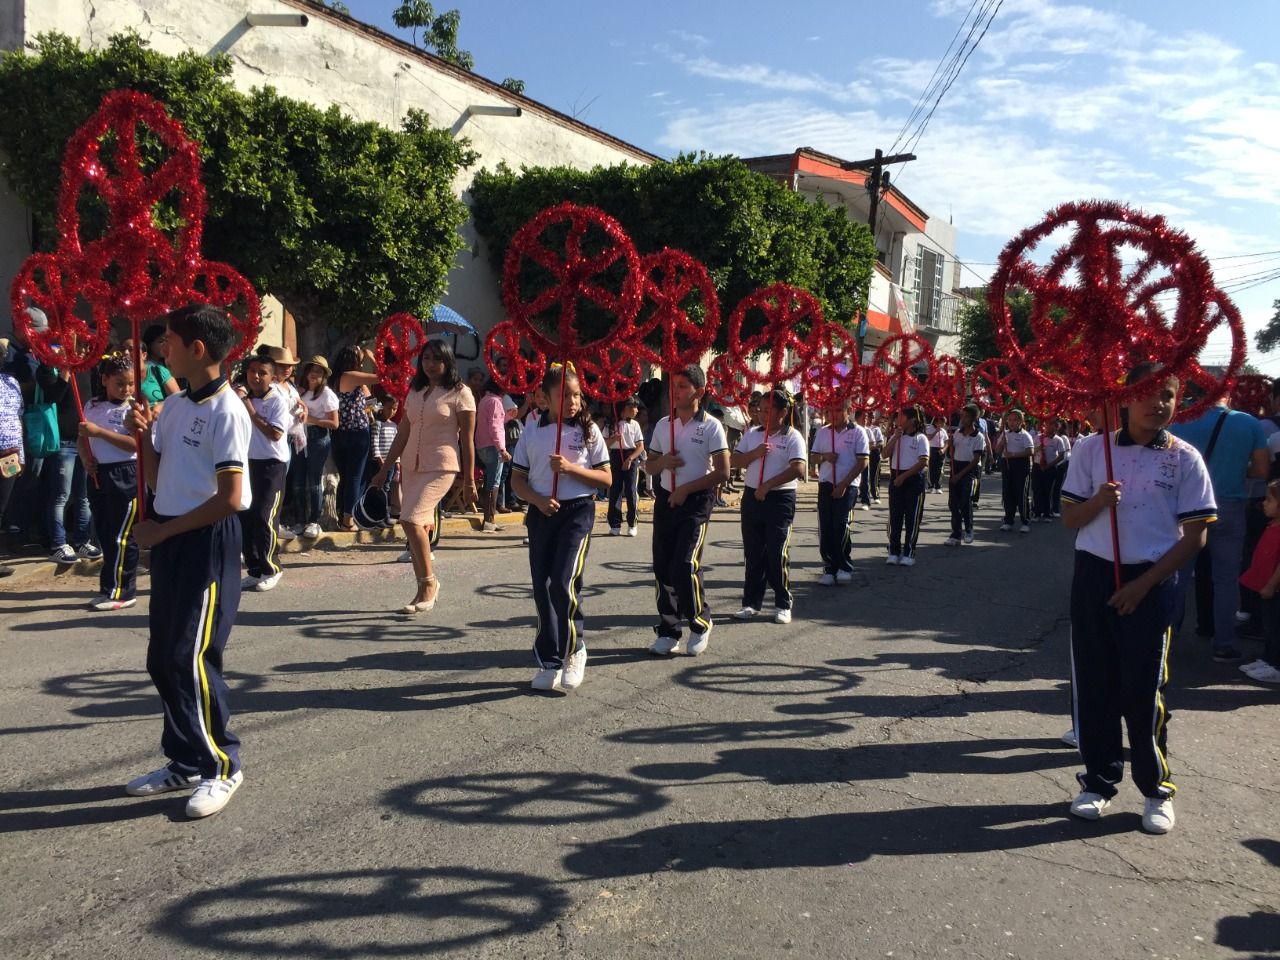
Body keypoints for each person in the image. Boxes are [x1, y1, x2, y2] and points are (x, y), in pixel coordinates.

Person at [1060, 364, 1215, 835]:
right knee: (1095, 683)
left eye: (1167, 394)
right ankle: (1098, 781)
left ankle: (1155, 789)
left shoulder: (1185, 458)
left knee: (1144, 691)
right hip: (1094, 574)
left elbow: (1196, 536)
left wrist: (1142, 586)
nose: (1158, 403)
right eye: (1148, 393)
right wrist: (1098, 502)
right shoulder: (1092, 450)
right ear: (1126, 398)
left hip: (1152, 580)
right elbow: (1070, 518)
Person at [122, 304, 252, 819]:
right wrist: (141, 436)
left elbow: (231, 498)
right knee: (162, 658)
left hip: (207, 540)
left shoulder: (227, 411)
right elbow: (158, 479)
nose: (162, 349)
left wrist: (161, 531)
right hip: (173, 537)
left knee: (191, 657)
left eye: (170, 342)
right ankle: (184, 759)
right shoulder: (174, 407)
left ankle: (222, 765)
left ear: (197, 350)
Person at [509, 364, 611, 691]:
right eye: (564, 395)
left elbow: (606, 478)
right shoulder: (532, 431)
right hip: (542, 513)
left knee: (563, 582)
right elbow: (517, 480)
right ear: (545, 398)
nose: (572, 402)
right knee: (542, 586)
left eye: (576, 395)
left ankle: (575, 648)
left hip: (577, 512)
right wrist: (537, 500)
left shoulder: (588, 430)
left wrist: (569, 469)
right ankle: (550, 660)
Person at [371, 340, 476, 615]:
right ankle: (421, 587)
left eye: (437, 359)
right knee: (410, 525)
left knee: (411, 519)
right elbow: (402, 434)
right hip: (411, 466)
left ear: (448, 362)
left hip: (441, 466)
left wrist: (469, 480)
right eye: (426, 358)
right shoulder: (416, 391)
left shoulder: (460, 393)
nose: (430, 364)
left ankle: (430, 583)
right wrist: (384, 470)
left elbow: (467, 440)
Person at [1170, 396, 1269, 661]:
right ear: (1228, 393)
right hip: (1229, 505)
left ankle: (1166, 637)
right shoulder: (1248, 423)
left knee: (1176, 574)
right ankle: (1224, 644)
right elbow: (1262, 469)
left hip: (1187, 505)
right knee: (1226, 579)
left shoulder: (1178, 421)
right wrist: (1236, 469)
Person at [645, 366, 730, 655]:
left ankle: (700, 622)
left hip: (696, 502)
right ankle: (669, 629)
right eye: (674, 385)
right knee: (662, 565)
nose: (676, 391)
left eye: (683, 386)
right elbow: (650, 465)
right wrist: (663, 463)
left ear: (699, 392)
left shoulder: (711, 426)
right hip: (666, 498)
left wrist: (686, 489)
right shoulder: (663, 425)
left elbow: (723, 472)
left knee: (685, 563)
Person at [731, 388, 807, 623]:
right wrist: (755, 454)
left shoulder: (792, 436)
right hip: (752, 496)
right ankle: (751, 602)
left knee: (776, 551)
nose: (763, 415)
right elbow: (735, 460)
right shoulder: (753, 434)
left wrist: (768, 485)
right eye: (761, 410)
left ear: (783, 412)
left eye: (768, 410)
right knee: (753, 552)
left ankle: (783, 602)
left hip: (780, 499)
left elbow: (798, 468)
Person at [78, 354, 140, 610]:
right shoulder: (92, 405)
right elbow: (82, 436)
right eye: (120, 384)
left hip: (126, 474)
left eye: (130, 384)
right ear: (104, 380)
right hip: (98, 474)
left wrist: (100, 433)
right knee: (105, 534)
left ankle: (123, 591)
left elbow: (135, 445)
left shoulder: (134, 409)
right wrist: (86, 459)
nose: (126, 389)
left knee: (121, 536)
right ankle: (108, 588)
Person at [235, 354, 289, 592]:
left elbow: (275, 434)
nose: (255, 377)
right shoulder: (241, 396)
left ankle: (272, 568)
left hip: (271, 464)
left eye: (262, 372)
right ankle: (255, 569)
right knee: (246, 515)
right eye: (252, 371)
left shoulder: (277, 400)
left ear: (272, 377)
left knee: (264, 515)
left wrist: (250, 409)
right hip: (248, 462)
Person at [810, 399, 869, 585]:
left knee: (841, 525)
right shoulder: (823, 432)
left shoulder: (858, 432)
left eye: (837, 410)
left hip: (848, 485)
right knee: (826, 526)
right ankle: (829, 567)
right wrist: (825, 457)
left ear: (848, 410)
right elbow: (813, 457)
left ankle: (844, 565)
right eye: (830, 410)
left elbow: (863, 461)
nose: (833, 414)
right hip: (826, 484)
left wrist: (843, 485)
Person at [329, 346, 380, 532]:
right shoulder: (350, 375)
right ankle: (347, 520)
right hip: (356, 432)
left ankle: (348, 513)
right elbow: (382, 377)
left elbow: (369, 400)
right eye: (360, 359)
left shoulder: (339, 378)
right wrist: (372, 358)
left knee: (349, 476)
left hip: (341, 433)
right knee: (355, 477)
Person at [1238, 479, 1280, 684]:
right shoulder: (1272, 525)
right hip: (1267, 588)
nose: (1264, 503)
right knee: (1269, 626)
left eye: (1269, 500)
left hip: (1275, 588)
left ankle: (1276, 666)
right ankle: (1268, 659)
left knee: (1276, 627)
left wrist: (1271, 584)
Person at [295, 356, 338, 539]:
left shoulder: (326, 394)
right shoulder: (300, 391)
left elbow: (334, 423)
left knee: (314, 481)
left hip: (317, 437)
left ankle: (314, 521)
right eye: (312, 370)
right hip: (299, 436)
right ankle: (299, 520)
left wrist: (310, 419)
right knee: (298, 481)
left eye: (319, 372)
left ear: (324, 376)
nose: (314, 375)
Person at [883, 404, 930, 566]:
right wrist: (894, 438)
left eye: (901, 416)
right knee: (895, 517)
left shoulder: (920, 438)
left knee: (912, 518)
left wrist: (903, 477)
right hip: (896, 478)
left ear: (912, 420)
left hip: (913, 480)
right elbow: (884, 454)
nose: (898, 419)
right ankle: (893, 551)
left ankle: (909, 552)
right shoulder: (896, 436)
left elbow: (923, 462)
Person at [946, 403, 987, 546]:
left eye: (966, 416)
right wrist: (950, 445)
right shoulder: (957, 433)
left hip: (969, 470)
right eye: (961, 416)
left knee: (965, 502)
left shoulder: (978, 437)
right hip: (956, 467)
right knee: (953, 503)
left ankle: (969, 529)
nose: (962, 419)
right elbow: (952, 454)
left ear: (973, 419)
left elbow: (975, 460)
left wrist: (960, 475)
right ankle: (956, 534)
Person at [474, 377, 510, 533]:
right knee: (493, 483)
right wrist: (502, 449)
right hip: (493, 447)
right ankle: (489, 520)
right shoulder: (495, 401)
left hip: (483, 445)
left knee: (491, 482)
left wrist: (508, 416)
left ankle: (489, 519)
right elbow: (494, 427)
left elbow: (492, 422)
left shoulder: (485, 400)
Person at [606, 396, 645, 537]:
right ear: (625, 408)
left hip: (631, 456)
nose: (636, 410)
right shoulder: (611, 424)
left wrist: (630, 459)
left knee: (631, 490)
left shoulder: (635, 425)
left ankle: (632, 523)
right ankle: (615, 524)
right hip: (616, 456)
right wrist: (613, 439)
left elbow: (640, 447)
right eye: (634, 407)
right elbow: (604, 444)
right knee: (615, 490)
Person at [0, 369, 24, 577]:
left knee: (1, 506)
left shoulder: (11, 381)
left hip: (9, 455)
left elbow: (18, 418)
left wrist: (20, 456)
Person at [995, 410, 1034, 533]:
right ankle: (1008, 521)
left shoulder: (1025, 435)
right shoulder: (1005, 434)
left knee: (1021, 494)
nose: (1012, 423)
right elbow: (997, 450)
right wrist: (1002, 443)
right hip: (1007, 465)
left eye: (1015, 420)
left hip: (1021, 466)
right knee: (1007, 493)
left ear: (1021, 421)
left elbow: (1030, 451)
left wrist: (1013, 454)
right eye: (1010, 420)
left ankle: (1025, 521)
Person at [1032, 417, 1069, 522]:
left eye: (1052, 424)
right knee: (1037, 490)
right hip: (1037, 466)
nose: (1049, 426)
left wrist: (1049, 465)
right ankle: (1037, 512)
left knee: (1048, 490)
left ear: (1057, 427)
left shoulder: (1058, 440)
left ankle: (1047, 513)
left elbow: (1061, 455)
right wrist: (1039, 448)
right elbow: (1032, 451)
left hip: (1050, 467)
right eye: (1047, 424)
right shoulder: (1038, 437)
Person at [858, 411, 884, 508]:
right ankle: (861, 494)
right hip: (857, 457)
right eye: (866, 417)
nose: (869, 419)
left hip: (871, 455)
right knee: (859, 478)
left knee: (871, 477)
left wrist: (865, 449)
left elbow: (878, 443)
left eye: (868, 417)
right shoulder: (853, 429)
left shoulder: (873, 429)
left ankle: (873, 496)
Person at [926, 415, 948, 493]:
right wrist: (936, 431)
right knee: (931, 468)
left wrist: (943, 449)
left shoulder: (943, 431)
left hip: (940, 449)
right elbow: (929, 438)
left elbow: (946, 442)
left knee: (940, 468)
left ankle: (938, 486)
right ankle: (931, 486)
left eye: (944, 423)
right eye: (941, 423)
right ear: (936, 422)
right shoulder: (930, 428)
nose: (943, 425)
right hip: (932, 449)